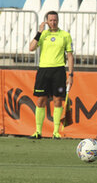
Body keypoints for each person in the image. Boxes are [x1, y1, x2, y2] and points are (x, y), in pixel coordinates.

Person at [29, 11, 74, 139]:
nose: (53, 22)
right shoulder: (42, 35)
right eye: (51, 20)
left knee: (58, 100)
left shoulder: (65, 35)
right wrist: (39, 32)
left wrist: (70, 74)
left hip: (59, 71)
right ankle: (38, 131)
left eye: (55, 20)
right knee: (41, 100)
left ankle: (56, 132)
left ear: (58, 20)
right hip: (43, 70)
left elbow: (70, 56)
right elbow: (31, 48)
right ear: (47, 21)